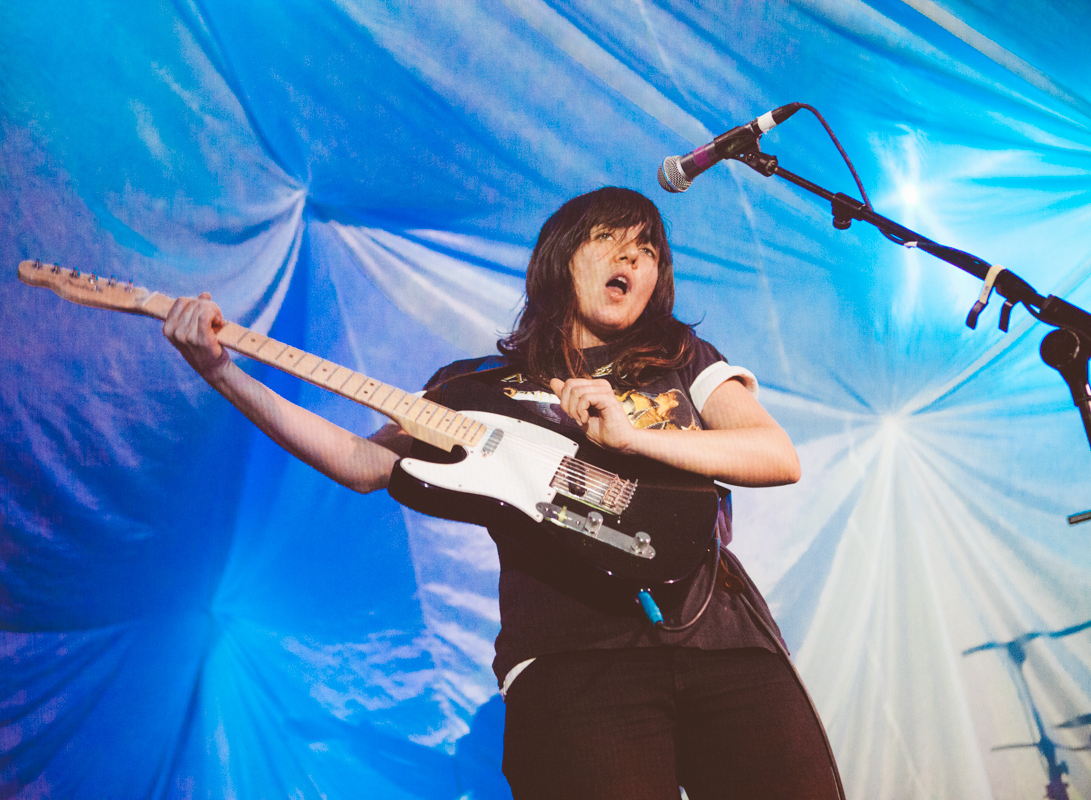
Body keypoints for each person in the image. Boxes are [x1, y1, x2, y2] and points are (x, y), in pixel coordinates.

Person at [163, 187, 841, 799]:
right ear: (561, 258)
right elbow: (361, 462)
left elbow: (774, 455)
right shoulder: (475, 390)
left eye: (649, 252)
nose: (632, 260)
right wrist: (223, 372)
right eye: (611, 240)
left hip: (723, 642)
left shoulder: (684, 356)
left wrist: (635, 437)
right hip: (575, 665)